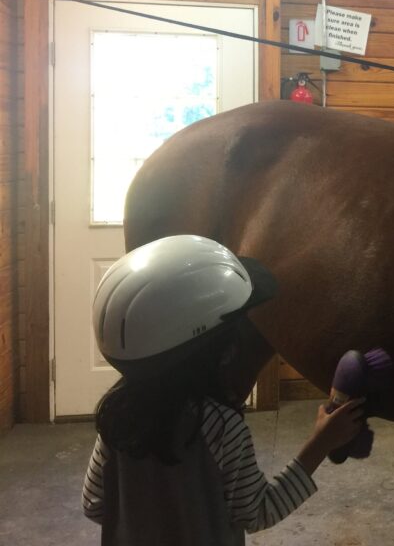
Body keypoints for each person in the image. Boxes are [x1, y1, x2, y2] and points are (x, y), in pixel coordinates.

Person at [81, 234, 365, 545]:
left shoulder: (119, 417)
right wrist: (321, 443)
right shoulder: (221, 426)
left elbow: (94, 504)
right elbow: (258, 512)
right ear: (210, 350)